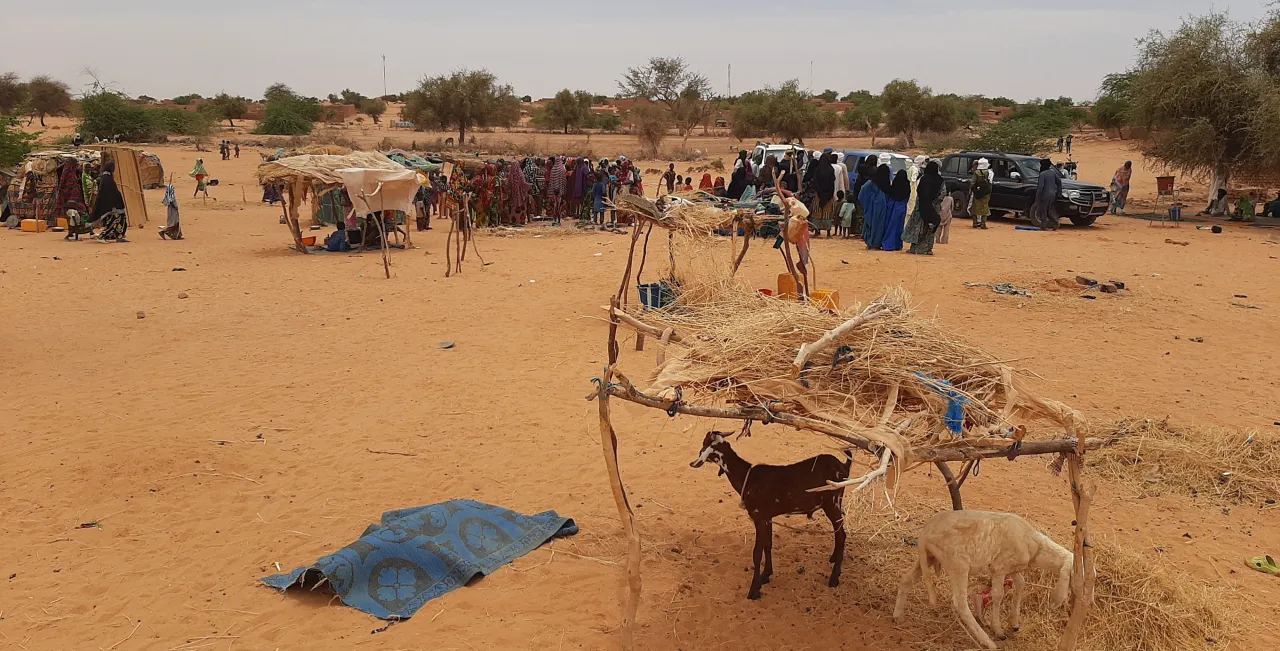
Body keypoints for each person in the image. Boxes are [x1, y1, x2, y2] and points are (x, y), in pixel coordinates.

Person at [909, 161, 944, 255]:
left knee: (919, 227)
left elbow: (919, 192)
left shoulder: (924, 179)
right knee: (931, 228)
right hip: (934, 208)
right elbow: (943, 193)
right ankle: (928, 249)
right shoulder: (940, 180)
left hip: (921, 207)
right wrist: (934, 202)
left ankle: (916, 248)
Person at [91, 159, 128, 242]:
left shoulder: (107, 177)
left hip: (115, 204)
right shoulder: (107, 178)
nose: (114, 168)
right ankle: (103, 236)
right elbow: (109, 193)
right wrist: (113, 205)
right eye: (113, 167)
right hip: (113, 205)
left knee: (119, 221)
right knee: (113, 221)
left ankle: (118, 236)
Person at [860, 164, 892, 250]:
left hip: (872, 207)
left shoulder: (872, 182)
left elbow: (862, 193)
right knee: (879, 226)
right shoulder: (885, 183)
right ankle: (875, 244)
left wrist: (867, 203)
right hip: (881, 207)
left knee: (871, 225)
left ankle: (870, 243)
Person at [882, 169, 911, 251]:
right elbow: (907, 196)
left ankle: (888, 244)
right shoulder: (906, 185)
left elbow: (890, 192)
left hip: (891, 206)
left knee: (890, 226)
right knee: (899, 227)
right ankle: (897, 244)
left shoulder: (895, 183)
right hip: (901, 207)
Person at [811, 152, 837, 237]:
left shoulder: (817, 170)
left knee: (817, 212)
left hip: (818, 195)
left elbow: (815, 182)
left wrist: (820, 192)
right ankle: (828, 232)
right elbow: (832, 182)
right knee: (827, 213)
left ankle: (816, 231)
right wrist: (829, 194)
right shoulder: (831, 169)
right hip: (829, 195)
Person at [1033, 159, 1063, 230]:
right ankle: (1055, 222)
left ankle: (1043, 227)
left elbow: (1040, 187)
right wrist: (1059, 193)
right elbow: (1059, 182)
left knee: (1042, 210)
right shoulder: (1052, 173)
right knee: (1048, 210)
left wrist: (1037, 197)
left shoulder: (1042, 174)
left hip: (1045, 195)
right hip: (1052, 194)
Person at [971, 158, 992, 229]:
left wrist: (973, 189)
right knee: (985, 207)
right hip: (986, 192)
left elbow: (972, 183)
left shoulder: (976, 173)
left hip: (978, 192)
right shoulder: (989, 172)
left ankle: (975, 223)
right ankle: (983, 223)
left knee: (975, 207)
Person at [547, 156, 566, 225]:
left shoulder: (553, 169)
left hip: (553, 191)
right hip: (560, 191)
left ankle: (554, 219)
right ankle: (558, 220)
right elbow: (564, 181)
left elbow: (551, 181)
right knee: (559, 206)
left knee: (554, 206)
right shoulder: (562, 169)